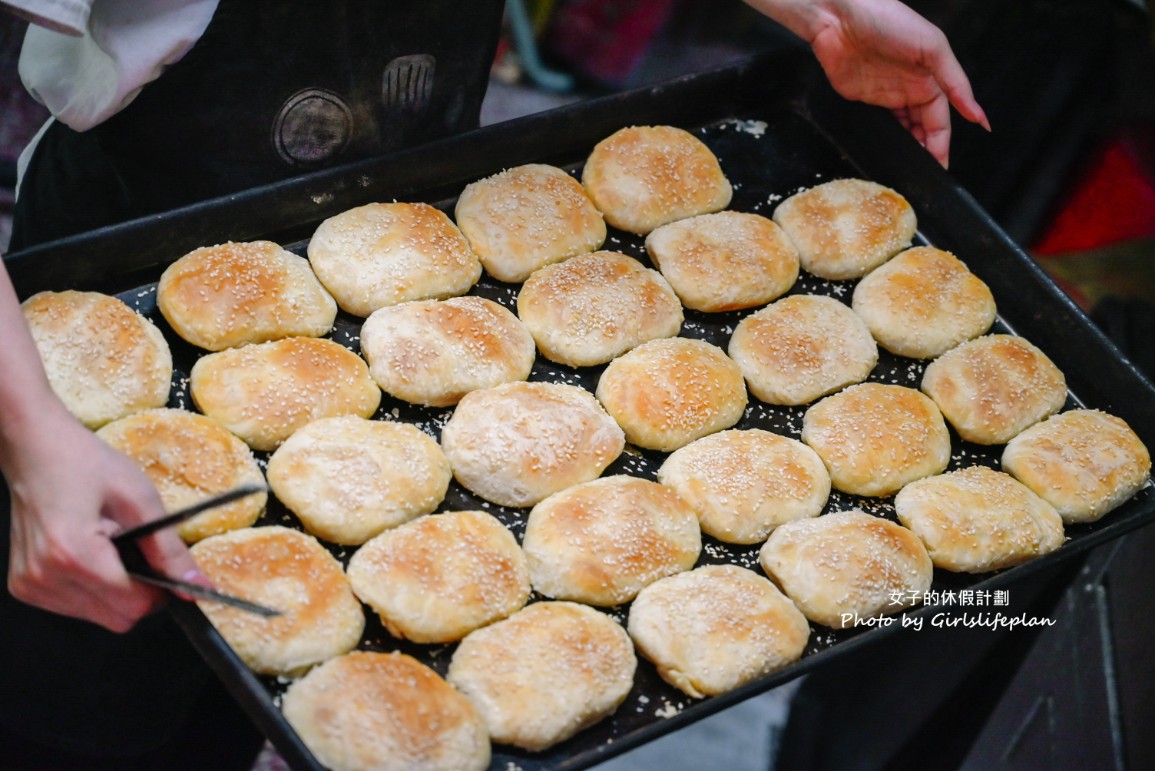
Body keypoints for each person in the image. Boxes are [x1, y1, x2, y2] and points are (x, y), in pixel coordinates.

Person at [0, 0, 989, 767]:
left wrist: (824, 12)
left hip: (420, 203)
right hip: (105, 286)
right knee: (78, 702)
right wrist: (34, 431)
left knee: (269, 682)